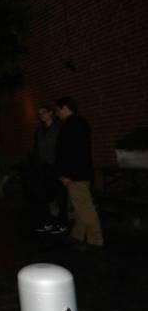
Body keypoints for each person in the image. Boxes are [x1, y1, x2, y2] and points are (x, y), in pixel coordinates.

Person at [55, 97, 103, 248]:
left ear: (65, 108)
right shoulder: (77, 123)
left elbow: (75, 152)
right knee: (79, 206)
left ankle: (95, 239)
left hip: (76, 175)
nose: (57, 113)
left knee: (84, 207)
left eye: (57, 109)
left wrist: (68, 174)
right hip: (79, 173)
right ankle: (78, 233)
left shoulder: (73, 125)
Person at [30, 104, 67, 234]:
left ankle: (62, 223)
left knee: (59, 195)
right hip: (43, 167)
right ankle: (48, 222)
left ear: (51, 113)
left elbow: (62, 148)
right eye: (39, 113)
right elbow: (36, 149)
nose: (41, 115)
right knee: (43, 195)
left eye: (44, 112)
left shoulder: (59, 128)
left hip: (55, 166)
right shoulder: (39, 130)